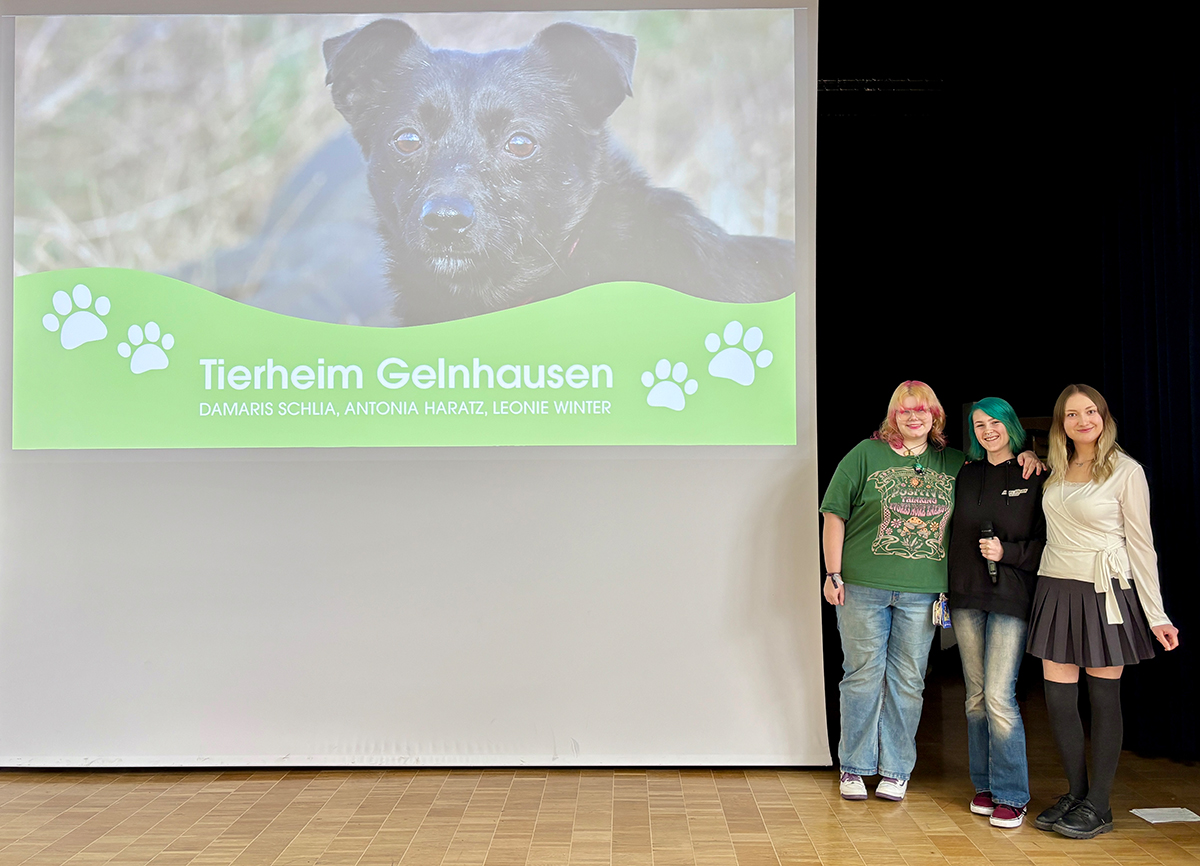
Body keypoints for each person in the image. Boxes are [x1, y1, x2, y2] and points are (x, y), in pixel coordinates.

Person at [820, 381, 1041, 802]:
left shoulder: (955, 462)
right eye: (905, 411)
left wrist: (1027, 453)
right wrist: (833, 574)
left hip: (924, 593)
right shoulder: (864, 455)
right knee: (863, 677)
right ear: (893, 417)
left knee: (908, 681)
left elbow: (998, 466)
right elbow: (834, 514)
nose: (914, 417)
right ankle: (854, 766)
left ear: (936, 417)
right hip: (862, 587)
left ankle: (896, 770)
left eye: (923, 410)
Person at [1028, 384, 1180, 839]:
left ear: (1103, 417)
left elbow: (1142, 546)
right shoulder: (1053, 468)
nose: (1083, 420)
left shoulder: (1126, 471)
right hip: (1055, 584)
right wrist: (1028, 461)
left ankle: (1100, 804)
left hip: (1105, 590)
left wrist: (1157, 614)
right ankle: (1076, 793)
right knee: (1058, 699)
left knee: (1103, 697)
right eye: (1072, 414)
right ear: (1062, 424)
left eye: (1090, 412)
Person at [948, 398, 1045, 828]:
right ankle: (985, 786)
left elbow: (1048, 545)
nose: (988, 430)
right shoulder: (964, 474)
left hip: (1011, 597)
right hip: (967, 598)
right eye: (979, 424)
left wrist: (1009, 553)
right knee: (974, 699)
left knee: (999, 698)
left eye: (995, 422)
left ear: (1011, 424)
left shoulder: (1034, 474)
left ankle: (1011, 795)